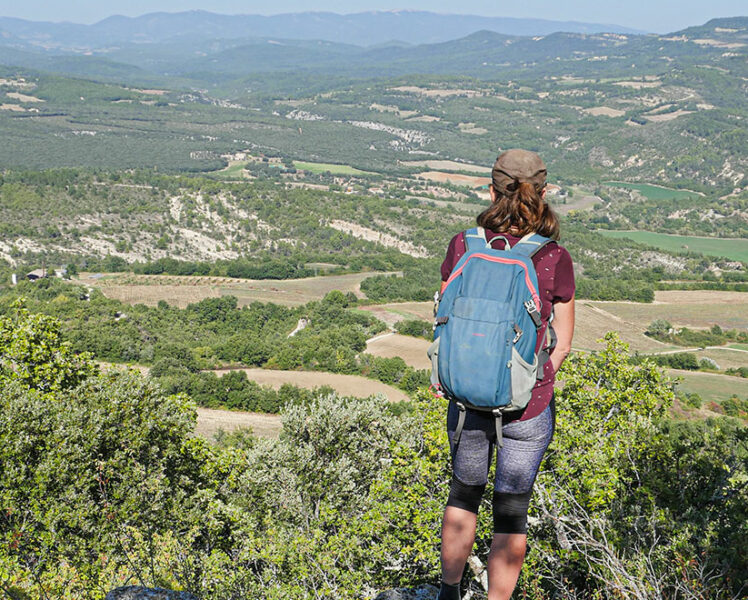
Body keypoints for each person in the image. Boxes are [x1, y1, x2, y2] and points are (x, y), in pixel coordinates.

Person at [437, 149, 575, 600]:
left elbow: (445, 316)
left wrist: (458, 376)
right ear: (545, 191)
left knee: (463, 495)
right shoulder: (553, 256)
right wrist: (533, 383)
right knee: (511, 509)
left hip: (467, 400)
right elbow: (564, 342)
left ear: (490, 187)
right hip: (527, 409)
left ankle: (448, 592)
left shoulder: (463, 244)